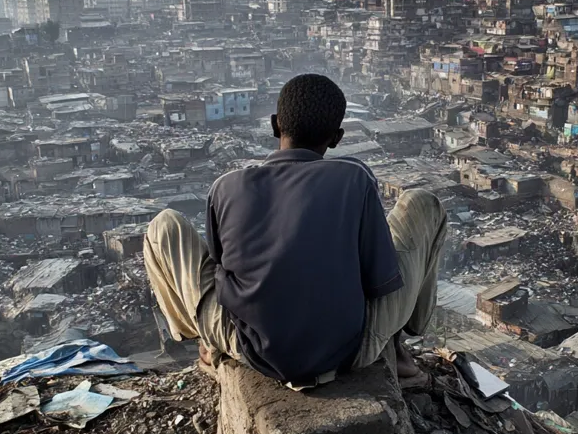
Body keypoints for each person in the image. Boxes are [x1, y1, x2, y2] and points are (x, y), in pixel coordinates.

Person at [144, 73, 447, 388]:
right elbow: (379, 282)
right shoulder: (354, 179)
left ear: (275, 125)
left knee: (163, 227)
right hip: (350, 352)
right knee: (423, 203)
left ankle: (206, 342)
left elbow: (223, 269)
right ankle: (398, 342)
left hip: (250, 348)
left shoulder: (227, 187)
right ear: (336, 138)